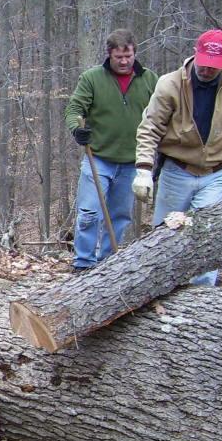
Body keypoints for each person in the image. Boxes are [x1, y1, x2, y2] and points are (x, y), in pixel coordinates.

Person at [133, 29, 222, 285]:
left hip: (215, 172)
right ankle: (157, 293)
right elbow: (150, 127)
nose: (206, 70)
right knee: (163, 239)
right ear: (195, 54)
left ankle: (199, 301)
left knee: (206, 239)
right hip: (176, 170)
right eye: (203, 64)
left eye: (213, 67)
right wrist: (144, 170)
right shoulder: (170, 84)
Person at [64, 29, 159, 272]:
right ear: (109, 55)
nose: (124, 61)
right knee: (89, 212)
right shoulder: (92, 78)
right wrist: (77, 129)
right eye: (119, 57)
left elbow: (162, 115)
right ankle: (83, 263)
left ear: (134, 53)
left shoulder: (150, 80)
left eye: (128, 56)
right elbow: (75, 108)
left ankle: (107, 264)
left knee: (119, 215)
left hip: (133, 162)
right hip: (99, 159)